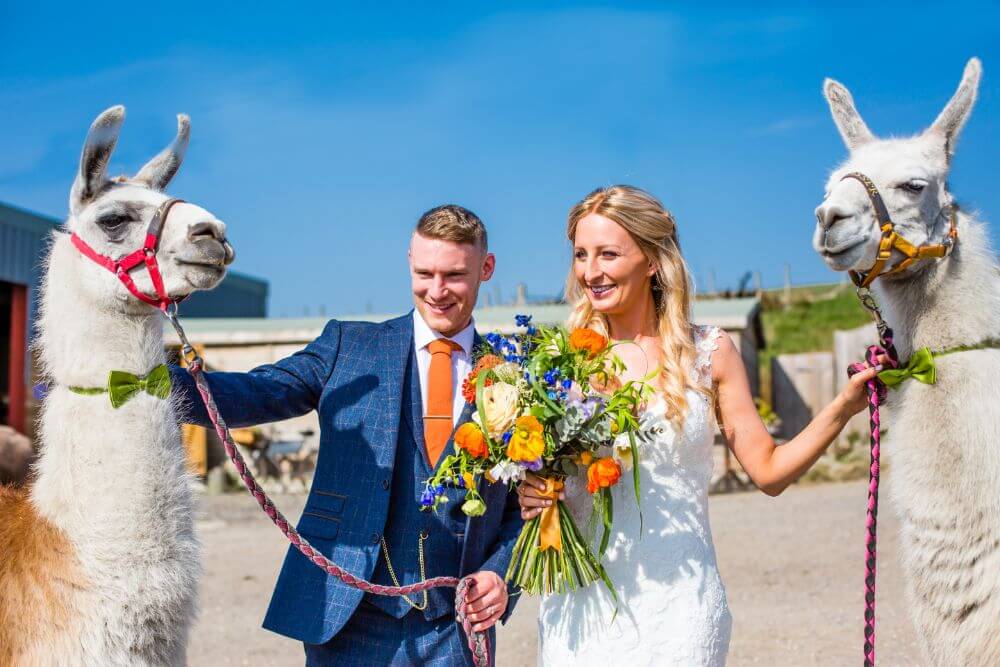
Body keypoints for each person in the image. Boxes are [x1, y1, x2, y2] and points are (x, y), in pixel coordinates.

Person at [517, 185, 882, 666]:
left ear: (652, 260)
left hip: (681, 607)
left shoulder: (711, 352)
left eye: (608, 253)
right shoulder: (556, 363)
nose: (590, 272)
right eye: (581, 255)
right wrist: (532, 490)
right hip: (582, 609)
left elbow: (769, 473)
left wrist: (843, 407)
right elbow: (535, 474)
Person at [172, 205, 522, 665]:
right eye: (424, 273)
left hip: (454, 626)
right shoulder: (348, 346)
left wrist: (501, 575)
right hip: (348, 619)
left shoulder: (519, 375)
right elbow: (257, 392)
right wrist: (151, 381)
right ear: (409, 262)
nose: (436, 291)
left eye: (454, 275)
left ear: (486, 268)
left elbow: (531, 508)